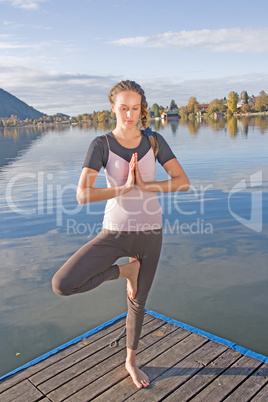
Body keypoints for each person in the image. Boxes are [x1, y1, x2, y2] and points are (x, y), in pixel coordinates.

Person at [52, 80, 190, 389]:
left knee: (138, 302)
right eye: (124, 108)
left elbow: (182, 181)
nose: (129, 114)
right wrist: (123, 189)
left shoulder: (154, 141)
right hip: (115, 231)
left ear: (142, 109)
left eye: (136, 108)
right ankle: (125, 271)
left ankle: (131, 360)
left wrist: (148, 187)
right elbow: (82, 195)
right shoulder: (102, 144)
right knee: (63, 284)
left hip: (151, 232)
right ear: (113, 108)